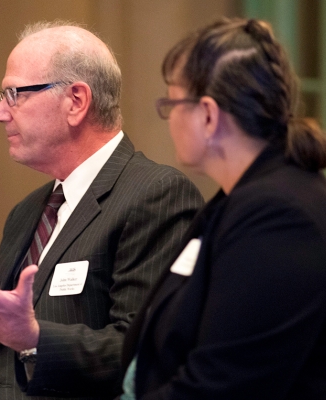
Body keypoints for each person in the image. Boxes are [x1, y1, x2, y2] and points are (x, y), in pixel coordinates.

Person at [0, 21, 203, 400]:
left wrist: (32, 338)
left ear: (76, 101)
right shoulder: (26, 212)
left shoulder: (156, 195)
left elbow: (141, 352)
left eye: (13, 94)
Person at [120, 17, 326, 399]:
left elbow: (224, 385)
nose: (170, 119)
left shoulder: (279, 215)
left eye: (172, 103)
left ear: (209, 115)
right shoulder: (238, 200)